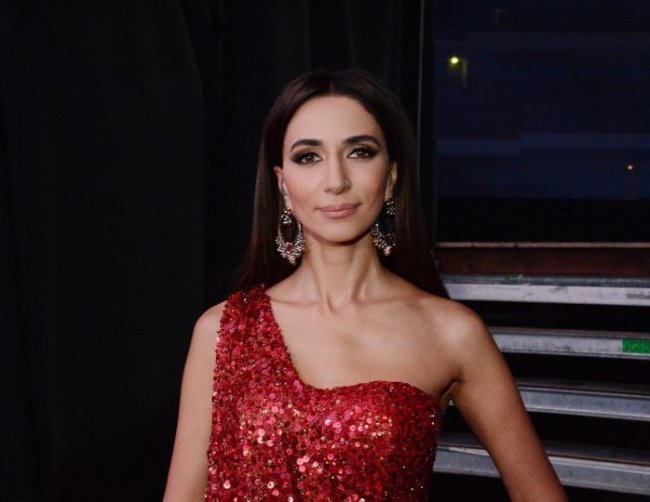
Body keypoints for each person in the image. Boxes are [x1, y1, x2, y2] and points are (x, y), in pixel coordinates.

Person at [164, 68, 567, 501]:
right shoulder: (224, 330)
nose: (336, 181)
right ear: (283, 184)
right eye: (309, 157)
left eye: (359, 152)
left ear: (391, 176)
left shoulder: (451, 333)